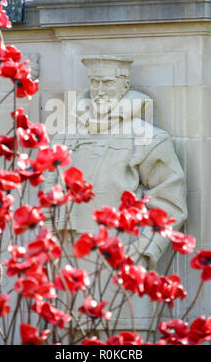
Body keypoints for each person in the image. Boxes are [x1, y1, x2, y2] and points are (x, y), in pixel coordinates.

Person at [45, 55, 187, 268]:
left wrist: (143, 252)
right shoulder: (64, 136)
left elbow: (170, 202)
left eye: (108, 83)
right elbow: (48, 194)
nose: (99, 90)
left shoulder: (148, 137)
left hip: (121, 254)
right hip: (67, 255)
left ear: (125, 86)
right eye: (95, 82)